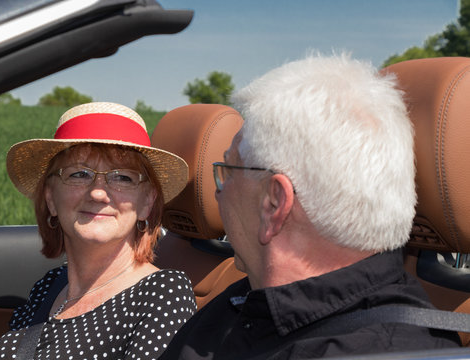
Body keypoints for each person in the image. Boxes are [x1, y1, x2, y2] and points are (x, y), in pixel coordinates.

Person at [159, 54, 461, 359]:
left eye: (228, 172)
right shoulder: (242, 301)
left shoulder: (384, 351)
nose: (217, 194)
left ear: (273, 203)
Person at [0, 102, 196, 360]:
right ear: (50, 198)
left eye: (122, 177)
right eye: (79, 174)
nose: (97, 192)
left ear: (147, 203)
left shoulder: (163, 295)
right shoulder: (50, 286)